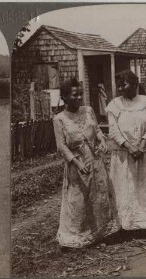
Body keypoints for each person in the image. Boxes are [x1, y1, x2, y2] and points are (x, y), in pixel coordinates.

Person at [52, 78, 120, 249]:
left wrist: (102, 140)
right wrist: (77, 163)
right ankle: (77, 237)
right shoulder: (59, 119)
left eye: (80, 94)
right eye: (75, 95)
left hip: (95, 160)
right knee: (79, 199)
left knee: (99, 196)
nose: (79, 98)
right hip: (77, 164)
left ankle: (102, 232)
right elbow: (62, 147)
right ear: (65, 97)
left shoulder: (88, 111)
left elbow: (97, 130)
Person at [106, 70, 146, 230]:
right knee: (125, 188)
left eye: (123, 85)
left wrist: (141, 145)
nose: (120, 89)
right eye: (118, 86)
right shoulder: (114, 105)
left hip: (144, 152)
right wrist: (130, 147)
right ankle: (126, 225)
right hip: (124, 154)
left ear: (134, 84)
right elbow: (113, 130)